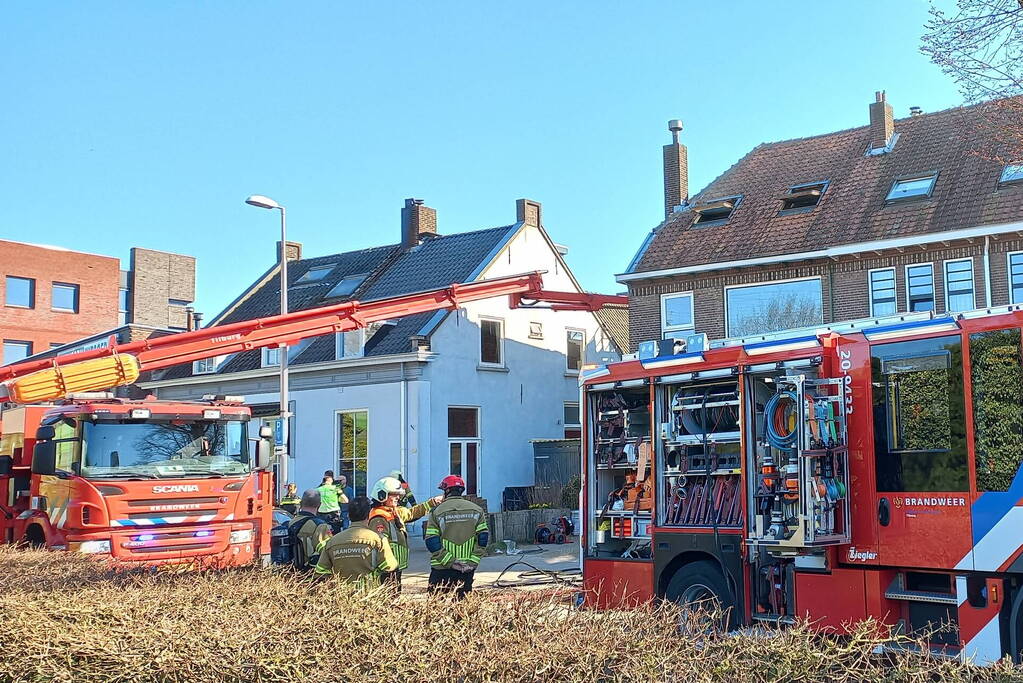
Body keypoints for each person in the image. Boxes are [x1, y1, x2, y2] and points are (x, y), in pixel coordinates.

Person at [368, 475, 442, 589]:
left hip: (395, 567)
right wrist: (387, 567)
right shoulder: (379, 518)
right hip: (387, 569)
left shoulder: (394, 511)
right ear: (382, 495)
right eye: (394, 494)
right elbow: (379, 546)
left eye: (399, 495)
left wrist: (432, 502)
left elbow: (412, 513)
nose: (398, 497)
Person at [425, 475, 489, 599]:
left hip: (442, 568)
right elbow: (482, 539)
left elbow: (432, 542)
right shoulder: (477, 510)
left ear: (446, 491)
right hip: (466, 568)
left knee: (437, 608)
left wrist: (451, 562)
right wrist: (472, 562)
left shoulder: (436, 511)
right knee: (462, 609)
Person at [314, 495, 397, 588]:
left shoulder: (332, 541)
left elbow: (321, 571)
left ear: (348, 516)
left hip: (341, 597)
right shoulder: (378, 539)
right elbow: (389, 567)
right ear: (368, 515)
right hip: (371, 596)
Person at [285, 489, 333, 572]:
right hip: (309, 575)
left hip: (289, 574)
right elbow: (327, 553)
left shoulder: (288, 524)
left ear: (300, 504)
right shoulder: (321, 526)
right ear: (320, 505)